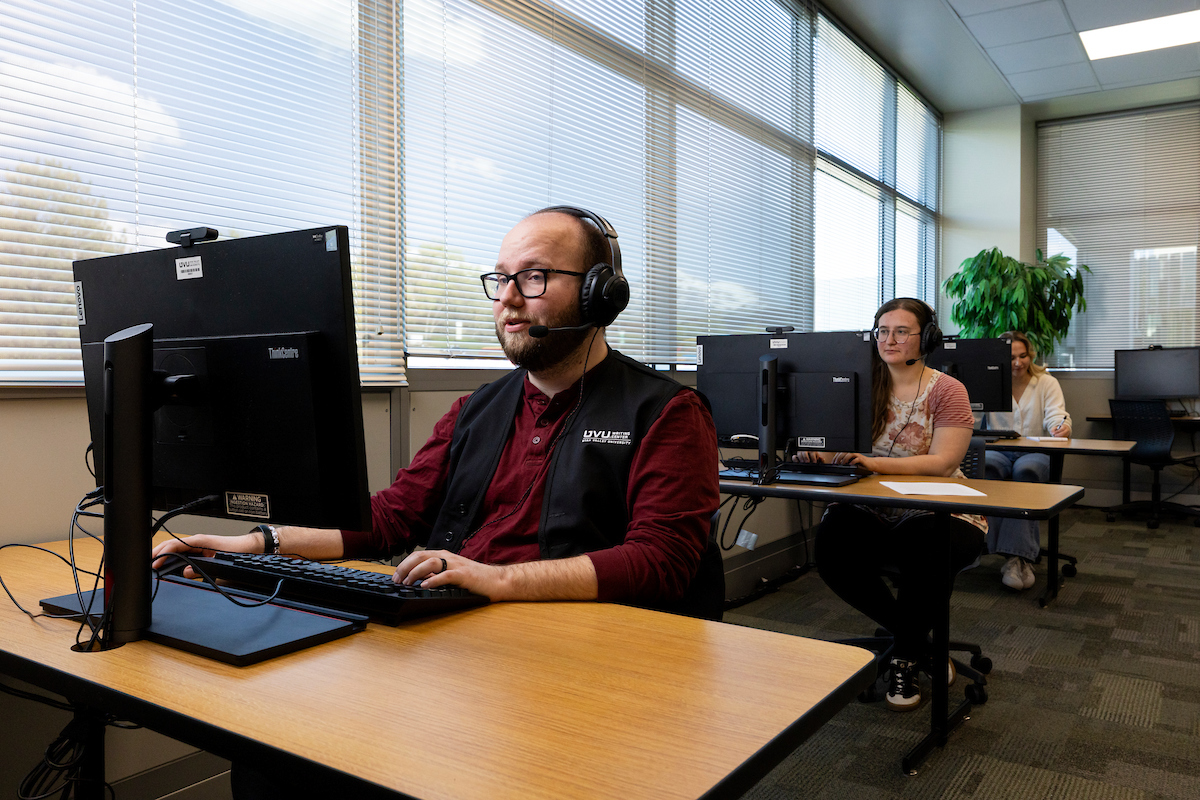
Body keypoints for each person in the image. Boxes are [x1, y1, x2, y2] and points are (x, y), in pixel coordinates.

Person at [152, 206, 720, 614]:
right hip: (460, 620)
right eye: (501, 279)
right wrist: (258, 543)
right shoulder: (477, 410)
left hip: (575, 640)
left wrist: (497, 581)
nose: (507, 298)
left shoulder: (668, 413)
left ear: (600, 294)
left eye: (534, 276)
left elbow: (662, 562)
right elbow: (393, 517)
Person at [805, 297, 985, 712]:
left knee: (925, 550)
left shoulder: (947, 390)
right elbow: (838, 451)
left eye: (902, 331)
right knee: (832, 549)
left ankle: (903, 658)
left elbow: (944, 463)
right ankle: (919, 643)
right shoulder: (857, 382)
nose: (889, 339)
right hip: (873, 505)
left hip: (939, 507)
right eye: (883, 330)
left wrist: (873, 462)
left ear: (927, 339)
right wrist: (816, 454)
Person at [982, 330, 1071, 591]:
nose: (1018, 363)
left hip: (1035, 451)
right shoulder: (989, 380)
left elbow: (1057, 415)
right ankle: (1018, 558)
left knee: (1027, 472)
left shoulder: (1046, 382)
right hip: (999, 450)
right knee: (988, 468)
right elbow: (972, 419)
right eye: (1011, 357)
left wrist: (1060, 428)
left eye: (1023, 356)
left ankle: (1015, 558)